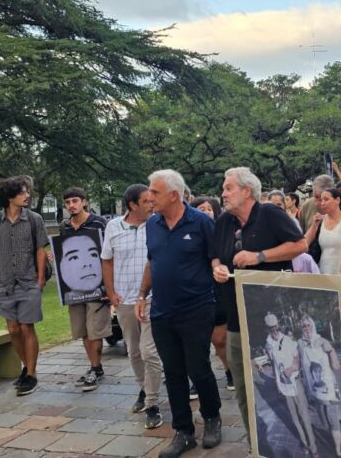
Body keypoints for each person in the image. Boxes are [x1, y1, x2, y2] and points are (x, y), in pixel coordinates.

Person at [210, 167, 307, 442]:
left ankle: (290, 443)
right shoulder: (224, 222)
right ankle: (257, 443)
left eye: (228, 188)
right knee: (243, 389)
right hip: (237, 322)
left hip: (272, 323)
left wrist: (260, 256)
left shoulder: (270, 214)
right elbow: (215, 256)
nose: (223, 194)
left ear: (246, 191)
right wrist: (217, 268)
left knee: (279, 387)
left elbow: (300, 245)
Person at [136, 170, 222, 457]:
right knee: (173, 373)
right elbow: (152, 261)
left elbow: (216, 259)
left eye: (155, 192)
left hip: (197, 308)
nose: (149, 196)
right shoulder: (152, 224)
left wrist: (219, 273)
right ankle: (183, 431)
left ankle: (212, 418)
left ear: (174, 195)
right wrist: (141, 294)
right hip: (162, 310)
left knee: (198, 368)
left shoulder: (201, 223)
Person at [102, 184, 165, 427]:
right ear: (132, 205)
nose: (152, 204)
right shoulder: (113, 227)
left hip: (153, 298)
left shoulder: (157, 224)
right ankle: (145, 388)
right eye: (147, 201)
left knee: (150, 351)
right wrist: (110, 292)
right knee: (134, 351)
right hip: (125, 299)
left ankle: (152, 402)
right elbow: (107, 261)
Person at [0, 175, 49, 396]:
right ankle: (25, 366)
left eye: (26, 192)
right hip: (5, 284)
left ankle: (31, 374)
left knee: (26, 327)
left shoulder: (34, 219)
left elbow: (41, 249)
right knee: (13, 329)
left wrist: (40, 279)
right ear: (10, 196)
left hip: (28, 281)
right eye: (22, 192)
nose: (27, 195)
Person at [57, 187, 110, 393]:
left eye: (75, 201)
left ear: (84, 202)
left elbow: (107, 253)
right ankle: (94, 367)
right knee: (82, 330)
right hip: (74, 288)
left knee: (95, 329)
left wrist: (109, 286)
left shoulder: (99, 223)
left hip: (98, 286)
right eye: (68, 202)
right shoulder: (65, 226)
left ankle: (95, 368)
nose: (71, 205)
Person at [190, 195, 233, 391]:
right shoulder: (187, 235)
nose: (205, 211)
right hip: (194, 292)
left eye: (209, 208)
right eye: (200, 208)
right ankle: (199, 378)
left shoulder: (222, 234)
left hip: (217, 290)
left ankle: (229, 369)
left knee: (219, 339)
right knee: (197, 342)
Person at [262, 313, 317, 456]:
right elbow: (274, 364)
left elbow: (297, 359)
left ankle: (313, 447)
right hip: (284, 385)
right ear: (267, 329)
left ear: (278, 325)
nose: (273, 329)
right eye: (270, 328)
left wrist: (291, 368)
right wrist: (277, 382)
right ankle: (305, 444)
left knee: (303, 415)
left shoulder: (287, 340)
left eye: (275, 326)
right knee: (294, 418)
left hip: (295, 381)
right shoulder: (268, 343)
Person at [298, 314, 341, 457]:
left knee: (333, 422)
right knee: (324, 422)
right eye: (304, 326)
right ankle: (332, 440)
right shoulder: (300, 343)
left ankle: (338, 450)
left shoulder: (323, 341)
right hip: (314, 392)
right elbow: (297, 362)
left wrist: (330, 351)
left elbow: (336, 367)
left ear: (313, 325)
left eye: (309, 325)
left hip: (330, 390)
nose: (307, 328)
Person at [305, 188, 341, 275]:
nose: (323, 203)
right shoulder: (321, 220)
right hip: (322, 272)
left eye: (326, 199)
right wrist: (314, 225)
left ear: (337, 200)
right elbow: (304, 242)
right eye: (321, 200)